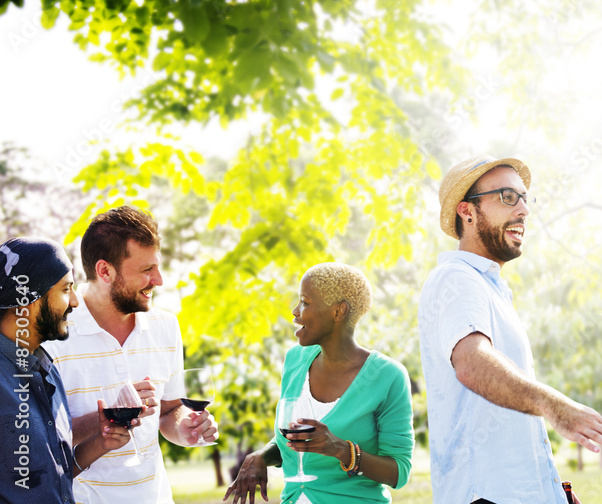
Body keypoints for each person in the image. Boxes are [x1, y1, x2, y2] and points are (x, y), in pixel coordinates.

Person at [418, 155, 602, 504]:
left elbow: (506, 416)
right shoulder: (455, 278)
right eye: (507, 197)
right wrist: (557, 407)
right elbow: (472, 363)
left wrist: (551, 486)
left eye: (524, 198)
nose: (523, 210)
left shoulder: (492, 290)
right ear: (467, 212)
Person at [43, 206, 218, 503]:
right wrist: (109, 414)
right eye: (146, 270)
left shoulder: (166, 326)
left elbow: (168, 411)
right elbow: (43, 437)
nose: (159, 280)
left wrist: (185, 427)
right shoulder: (54, 335)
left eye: (157, 267)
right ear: (105, 271)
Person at [225, 262, 414, 503]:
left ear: (338, 312)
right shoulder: (295, 360)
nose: (295, 311)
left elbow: (399, 471)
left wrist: (340, 449)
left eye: (305, 302)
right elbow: (294, 435)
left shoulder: (388, 376)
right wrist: (262, 455)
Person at [0, 237, 128, 503]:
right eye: (65, 289)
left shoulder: (46, 369)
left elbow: (47, 477)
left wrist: (99, 443)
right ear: (29, 299)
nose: (75, 302)